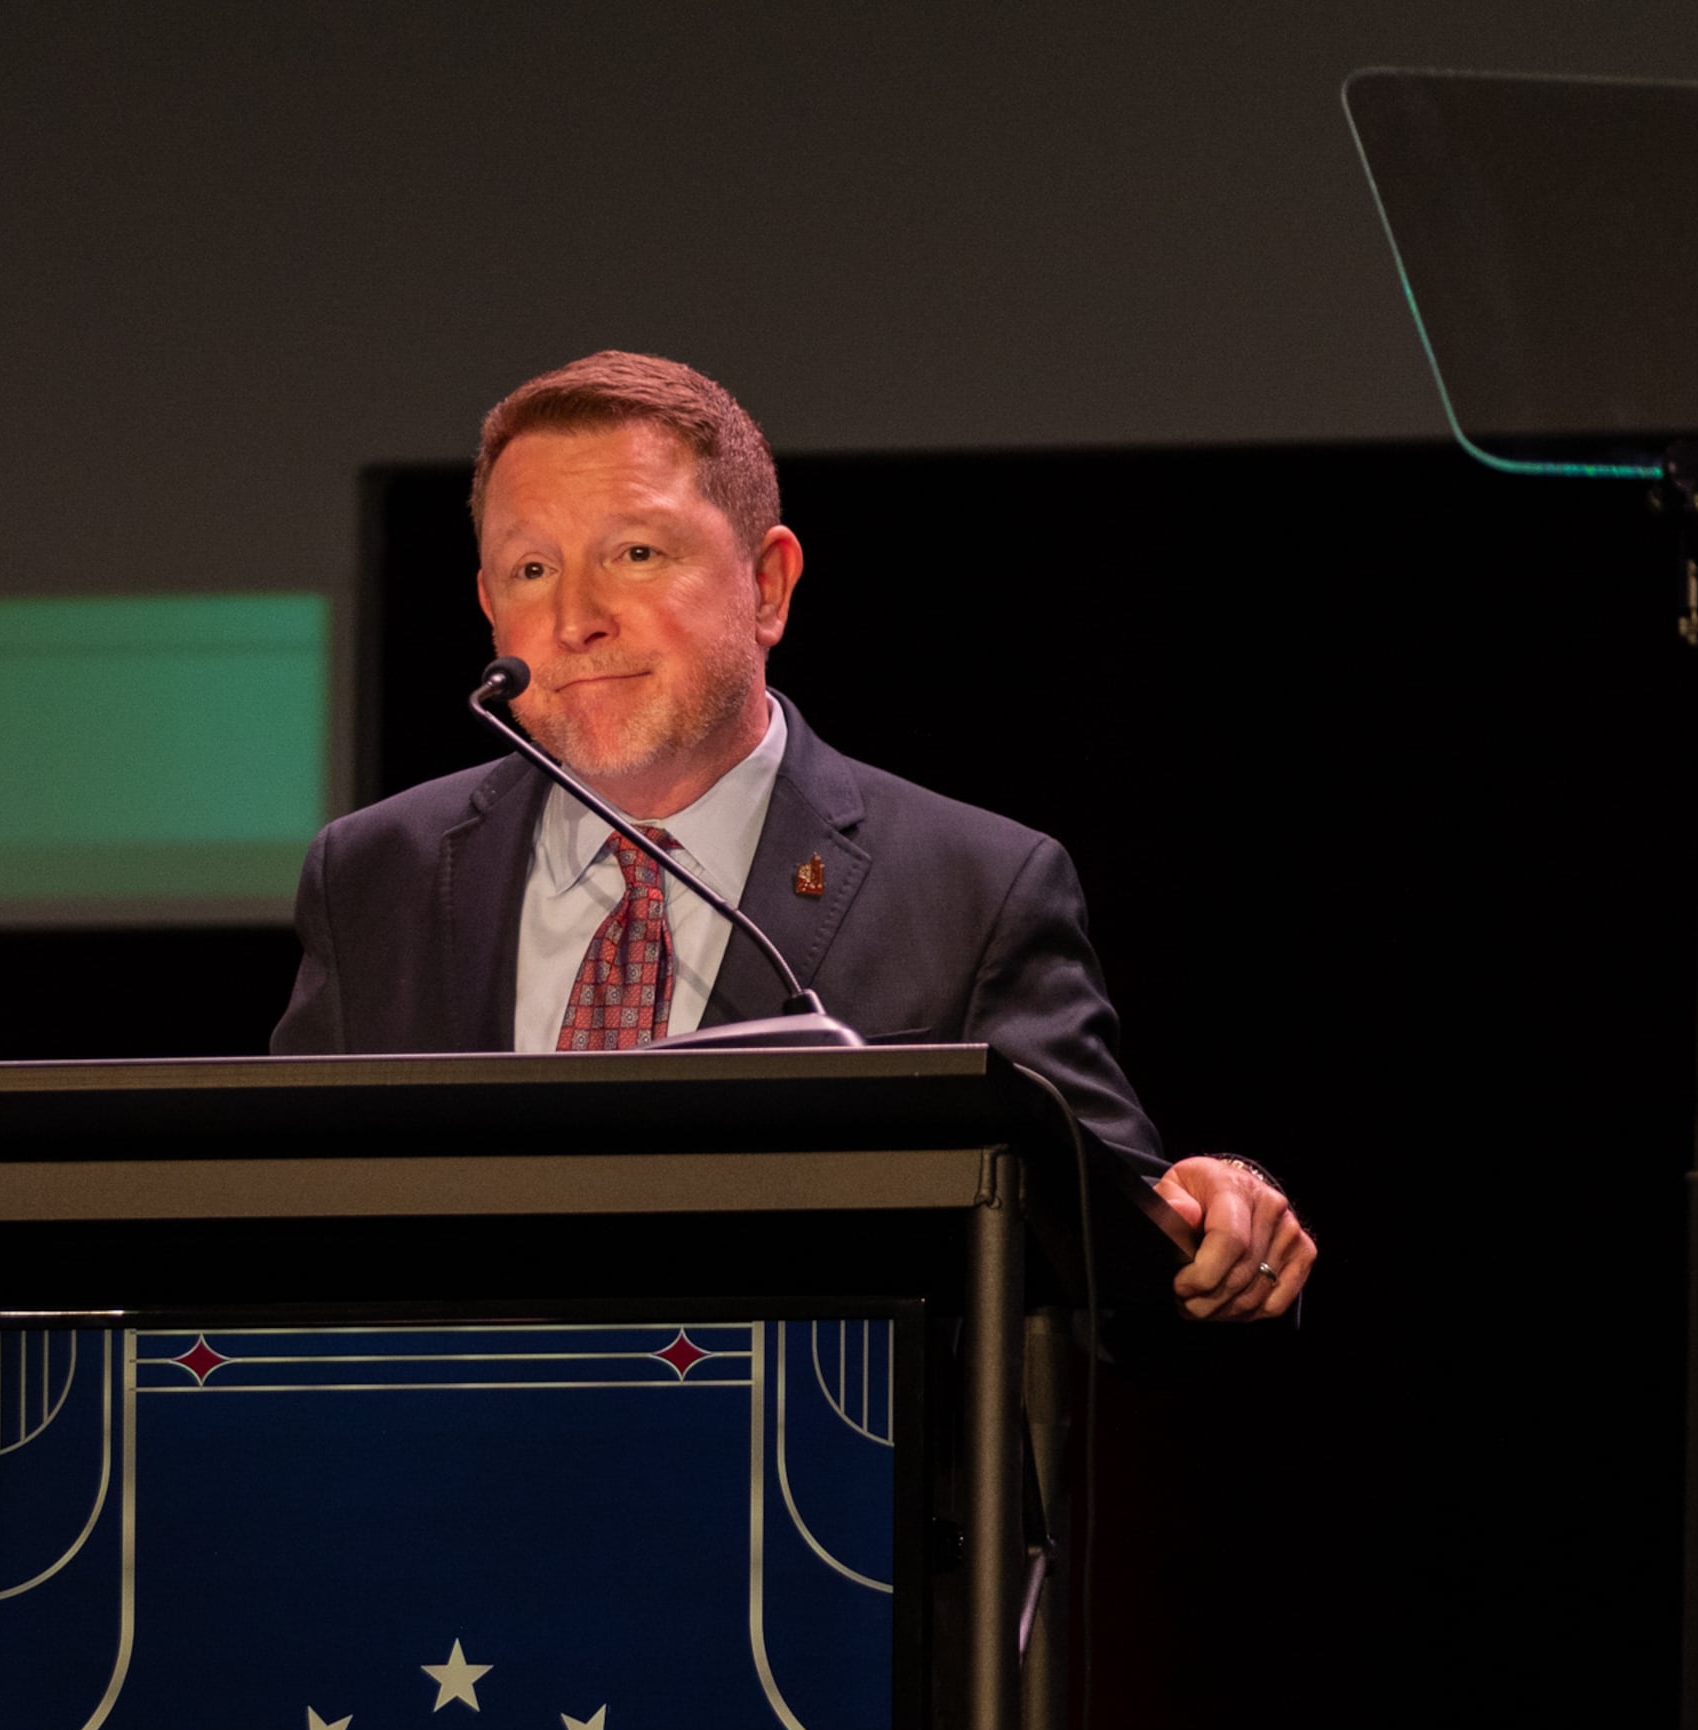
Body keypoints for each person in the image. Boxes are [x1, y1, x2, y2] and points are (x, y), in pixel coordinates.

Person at [270, 350, 1312, 1322]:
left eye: (634, 553)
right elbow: (274, 1238)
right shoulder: (376, 877)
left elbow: (1114, 1255)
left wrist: (1218, 1211)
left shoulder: (972, 888)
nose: (575, 618)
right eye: (532, 571)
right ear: (491, 606)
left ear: (766, 587)